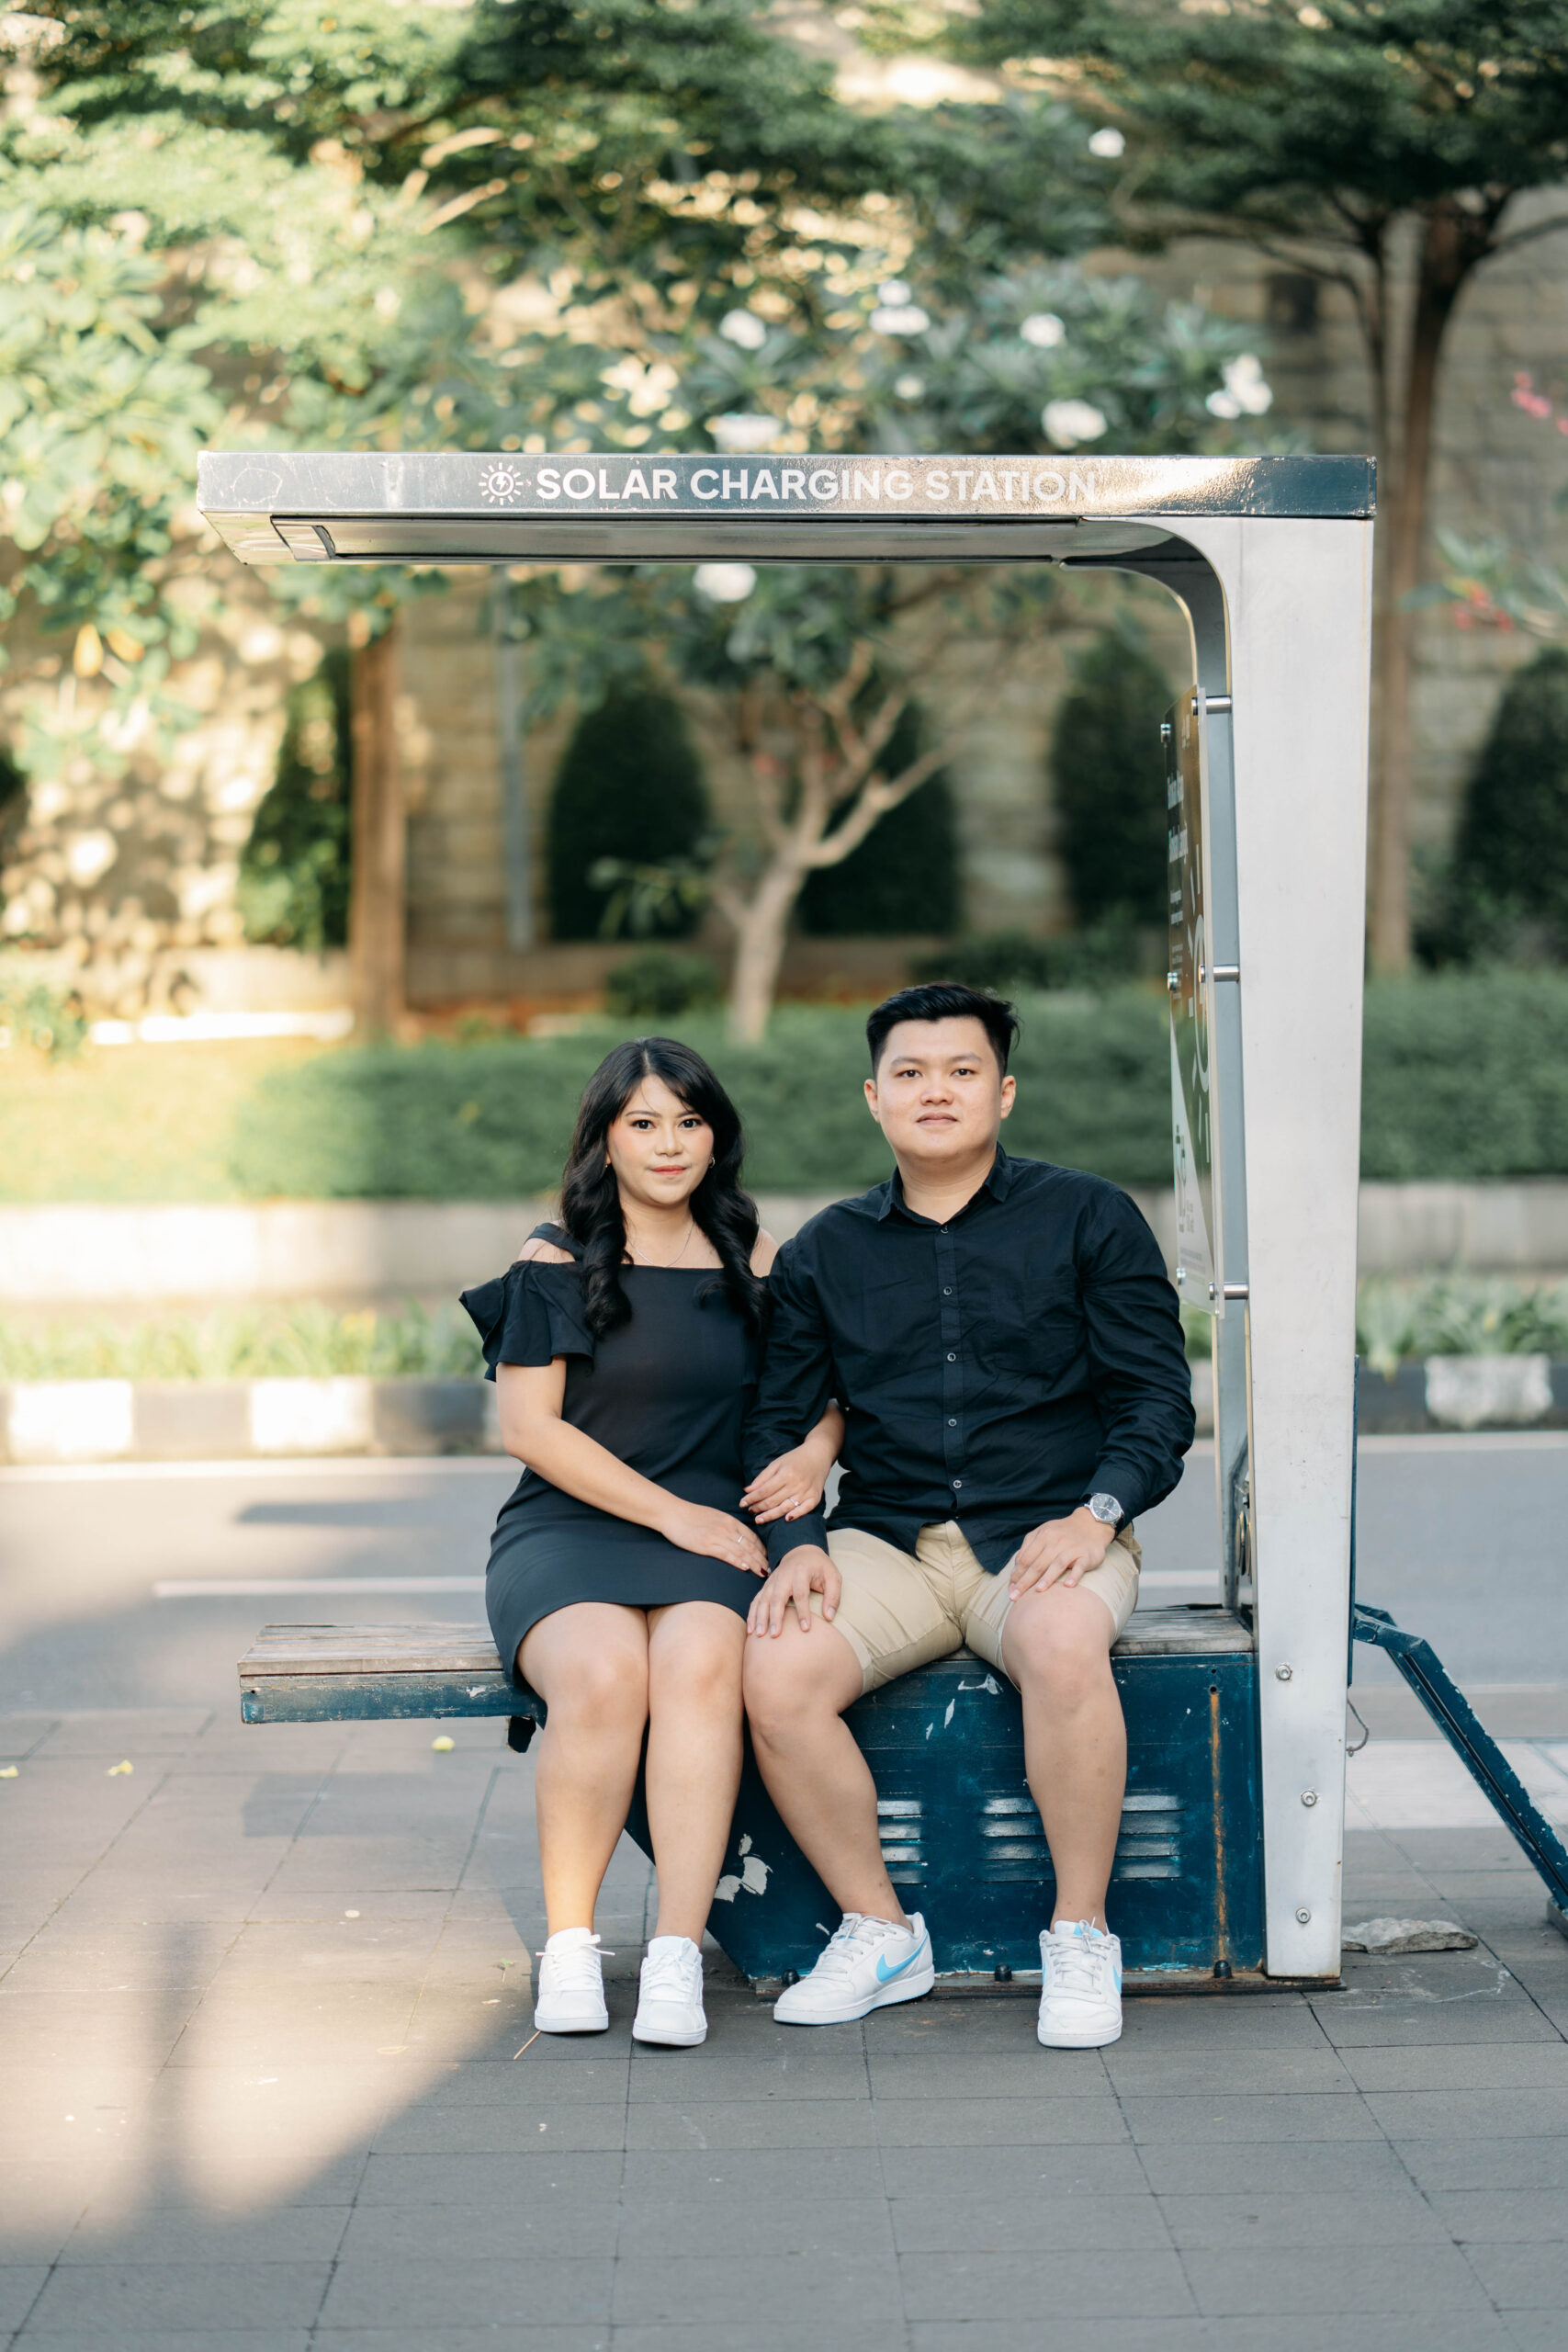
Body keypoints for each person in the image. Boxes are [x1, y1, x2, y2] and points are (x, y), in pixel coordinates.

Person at [738, 982, 1195, 2047]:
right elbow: (778, 1420)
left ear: (1005, 1091)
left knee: (1065, 1644)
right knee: (777, 1668)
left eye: (961, 1070)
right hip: (887, 1537)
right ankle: (881, 1930)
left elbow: (1156, 1402)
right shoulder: (824, 1251)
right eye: (909, 1072)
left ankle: (1080, 1934)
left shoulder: (1088, 1216)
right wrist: (795, 1544)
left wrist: (1098, 1514)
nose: (934, 1091)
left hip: (1046, 1530)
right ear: (874, 1097)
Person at [462, 1038, 840, 2049]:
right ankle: (571, 1945)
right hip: (572, 1525)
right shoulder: (553, 1261)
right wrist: (672, 1515)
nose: (669, 1144)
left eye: (689, 1121)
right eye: (643, 1123)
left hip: (715, 1525)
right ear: (605, 1141)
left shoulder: (755, 1258)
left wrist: (814, 1453)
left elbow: (817, 1395)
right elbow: (531, 1430)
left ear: (716, 1138)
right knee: (600, 1677)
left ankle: (675, 1950)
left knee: (701, 1666)